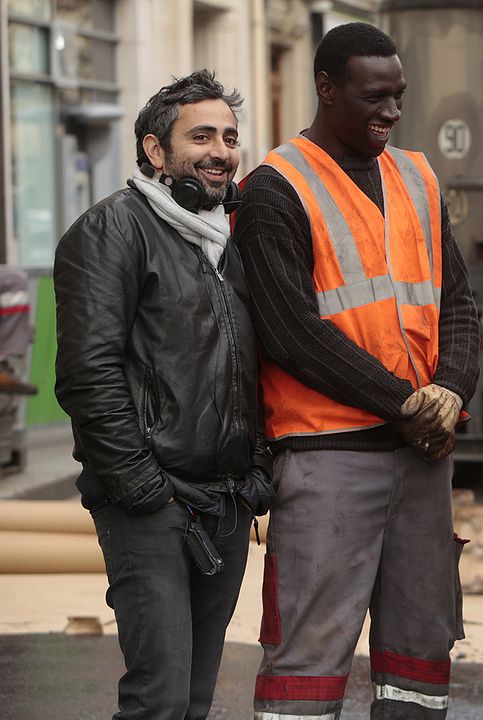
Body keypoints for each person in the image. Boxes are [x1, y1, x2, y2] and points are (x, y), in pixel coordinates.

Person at [233, 23, 480, 719]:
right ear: (326, 89)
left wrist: (451, 388)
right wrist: (408, 404)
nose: (391, 112)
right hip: (327, 457)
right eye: (375, 97)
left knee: (420, 657)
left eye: (399, 95)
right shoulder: (275, 189)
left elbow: (456, 301)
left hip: (419, 457)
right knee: (308, 662)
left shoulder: (417, 176)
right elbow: (292, 335)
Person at [54, 70, 273, 720]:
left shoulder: (229, 239)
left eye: (229, 137)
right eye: (201, 136)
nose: (221, 151)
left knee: (195, 700)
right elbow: (87, 375)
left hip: (227, 504)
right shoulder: (112, 230)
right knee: (160, 699)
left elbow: (253, 364)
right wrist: (143, 489)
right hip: (151, 507)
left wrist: (256, 474)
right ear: (155, 149)